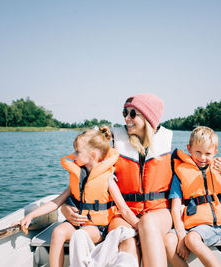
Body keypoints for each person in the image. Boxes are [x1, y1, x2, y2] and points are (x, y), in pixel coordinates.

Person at [64, 93, 174, 266]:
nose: (127, 118)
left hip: (159, 211)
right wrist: (65, 208)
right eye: (124, 113)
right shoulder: (115, 144)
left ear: (149, 117)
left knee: (148, 222)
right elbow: (86, 180)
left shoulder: (167, 145)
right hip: (122, 212)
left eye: (132, 113)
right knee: (126, 237)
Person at [19, 126, 139, 267]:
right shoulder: (79, 177)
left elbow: (124, 209)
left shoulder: (108, 179)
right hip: (77, 223)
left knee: (79, 235)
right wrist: (31, 216)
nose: (73, 155)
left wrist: (139, 227)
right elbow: (57, 202)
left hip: (97, 228)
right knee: (58, 232)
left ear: (92, 156)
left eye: (77, 151)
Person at [165, 126, 221, 267]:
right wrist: (180, 236)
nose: (202, 158)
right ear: (189, 148)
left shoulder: (219, 171)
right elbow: (175, 209)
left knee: (191, 239)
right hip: (191, 224)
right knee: (168, 240)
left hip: (215, 225)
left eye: (208, 153)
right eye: (198, 152)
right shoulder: (180, 173)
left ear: (215, 152)